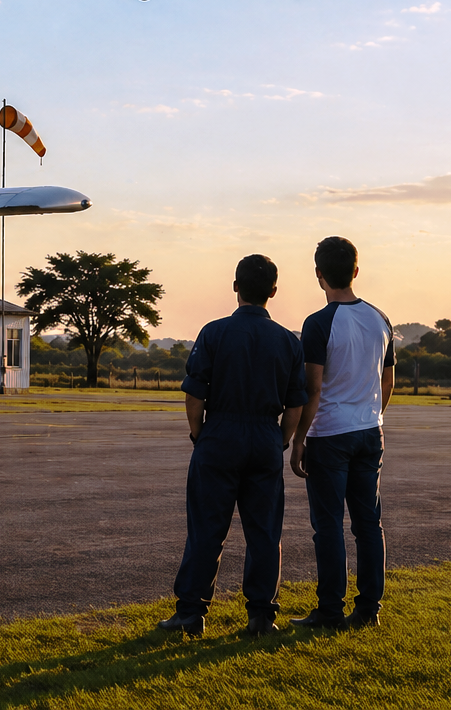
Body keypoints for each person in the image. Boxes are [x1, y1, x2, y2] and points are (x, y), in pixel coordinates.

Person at [159, 255, 306, 637]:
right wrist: (282, 440)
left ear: (235, 286)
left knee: (207, 529)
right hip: (264, 438)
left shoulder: (214, 332)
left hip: (220, 434)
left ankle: (191, 613)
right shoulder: (289, 341)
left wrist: (199, 435)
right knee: (264, 532)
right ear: (273, 292)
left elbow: (194, 395)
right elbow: (295, 403)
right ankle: (260, 616)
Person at [289, 236, 395, 629]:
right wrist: (370, 415)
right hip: (370, 431)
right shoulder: (380, 318)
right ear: (355, 270)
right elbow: (388, 381)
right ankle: (369, 610)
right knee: (369, 524)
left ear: (318, 275)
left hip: (330, 434)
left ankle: (330, 610)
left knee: (329, 524)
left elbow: (312, 388)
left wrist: (299, 439)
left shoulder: (318, 323)